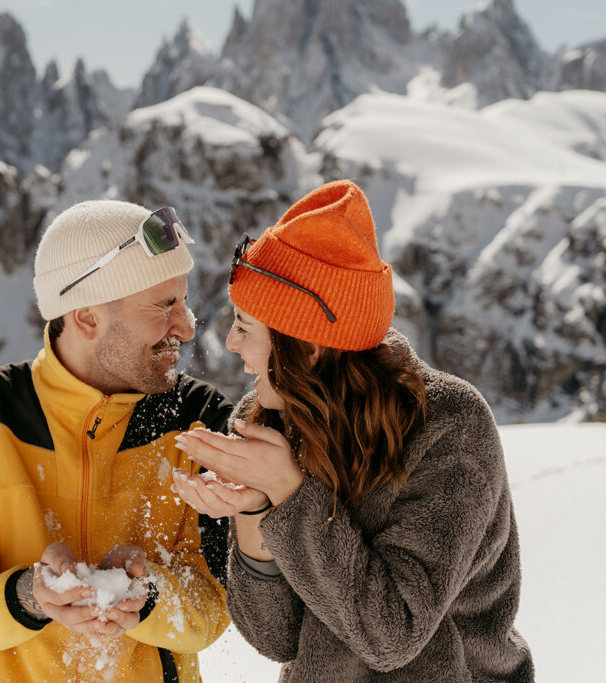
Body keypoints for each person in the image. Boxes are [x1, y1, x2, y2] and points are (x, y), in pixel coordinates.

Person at [170, 180, 534, 681]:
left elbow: (392, 637)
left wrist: (288, 492)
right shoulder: (273, 418)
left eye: (246, 326)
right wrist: (255, 508)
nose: (231, 342)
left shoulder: (450, 427)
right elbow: (275, 638)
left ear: (310, 349)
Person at [0, 200, 233, 682]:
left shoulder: (196, 422)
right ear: (86, 318)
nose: (186, 326)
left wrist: (151, 598)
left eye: (183, 302)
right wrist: (30, 596)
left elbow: (212, 609)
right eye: (164, 306)